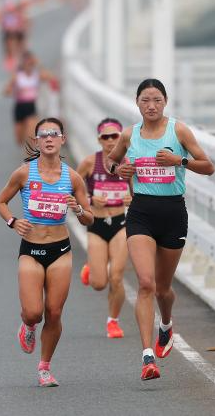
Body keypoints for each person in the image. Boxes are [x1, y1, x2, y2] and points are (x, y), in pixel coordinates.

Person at [106, 78, 215, 380]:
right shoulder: (129, 134)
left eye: (157, 100)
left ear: (165, 102)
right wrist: (119, 169)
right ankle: (147, 357)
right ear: (137, 103)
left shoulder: (178, 131)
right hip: (141, 212)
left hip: (172, 214)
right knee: (145, 283)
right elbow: (111, 161)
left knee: (163, 290)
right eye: (145, 100)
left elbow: (208, 166)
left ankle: (165, 324)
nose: (151, 105)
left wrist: (179, 160)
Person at [0, 117, 93, 387]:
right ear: (37, 141)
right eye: (44, 135)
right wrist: (13, 221)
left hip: (60, 250)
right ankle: (28, 326)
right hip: (31, 249)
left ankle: (45, 367)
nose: (49, 138)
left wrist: (78, 209)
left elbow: (89, 218)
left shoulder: (72, 177)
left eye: (54, 134)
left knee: (54, 312)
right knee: (33, 312)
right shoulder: (24, 173)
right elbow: (0, 202)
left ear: (63, 140)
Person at [76, 117, 131, 339]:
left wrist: (133, 199)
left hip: (120, 224)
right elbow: (71, 189)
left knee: (116, 277)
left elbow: (142, 191)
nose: (110, 141)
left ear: (121, 138)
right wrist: (89, 199)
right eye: (105, 137)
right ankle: (92, 268)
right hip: (96, 225)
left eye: (114, 136)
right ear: (99, 139)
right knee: (99, 283)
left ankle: (113, 322)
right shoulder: (90, 163)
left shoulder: (129, 163)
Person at [3, 51, 59, 147]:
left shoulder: (36, 75)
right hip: (19, 107)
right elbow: (6, 91)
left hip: (31, 107)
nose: (29, 65)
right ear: (23, 64)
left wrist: (39, 64)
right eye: (27, 62)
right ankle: (26, 146)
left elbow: (51, 77)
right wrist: (11, 90)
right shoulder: (17, 76)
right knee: (19, 140)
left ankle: (30, 153)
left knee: (31, 136)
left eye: (31, 63)